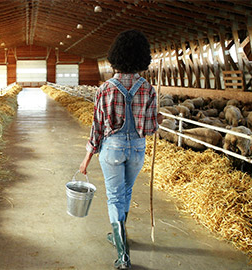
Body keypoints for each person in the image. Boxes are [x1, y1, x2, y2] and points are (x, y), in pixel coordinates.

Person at [79, 29, 162, 269]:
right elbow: (150, 127)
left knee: (115, 197)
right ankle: (119, 235)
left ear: (115, 56)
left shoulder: (105, 88)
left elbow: (96, 128)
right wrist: (158, 120)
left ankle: (123, 254)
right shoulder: (147, 88)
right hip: (137, 148)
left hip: (112, 149)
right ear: (142, 58)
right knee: (126, 193)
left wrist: (87, 158)